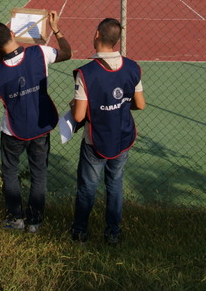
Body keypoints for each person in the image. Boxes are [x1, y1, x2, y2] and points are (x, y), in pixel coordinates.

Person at [0, 11, 71, 233]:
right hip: (40, 126)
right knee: (39, 173)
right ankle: (35, 222)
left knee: (10, 173)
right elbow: (67, 53)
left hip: (12, 130)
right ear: (13, 33)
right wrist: (56, 29)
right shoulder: (39, 53)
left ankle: (16, 219)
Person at [69, 17, 145, 245]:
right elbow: (140, 104)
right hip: (122, 137)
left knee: (87, 187)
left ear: (96, 35)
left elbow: (79, 116)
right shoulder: (132, 67)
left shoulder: (86, 73)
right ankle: (113, 233)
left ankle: (80, 232)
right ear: (117, 40)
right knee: (115, 185)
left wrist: (73, 106)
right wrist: (120, 105)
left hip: (95, 141)